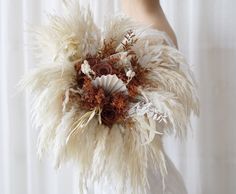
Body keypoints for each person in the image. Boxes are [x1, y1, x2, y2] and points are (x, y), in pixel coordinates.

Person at [121, 1, 187, 194]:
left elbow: (137, 121)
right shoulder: (132, 24)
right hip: (124, 172)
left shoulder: (150, 34)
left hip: (142, 181)